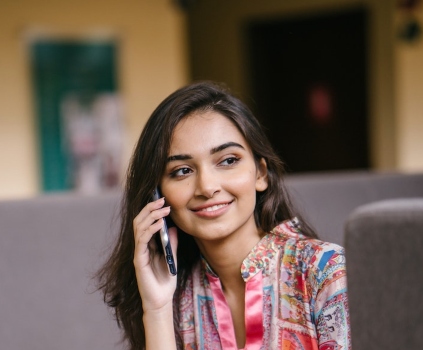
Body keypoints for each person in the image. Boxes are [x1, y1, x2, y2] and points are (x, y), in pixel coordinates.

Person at [96, 82, 350, 350]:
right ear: (156, 195)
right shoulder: (175, 295)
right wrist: (157, 309)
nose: (207, 187)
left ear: (261, 174)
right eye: (182, 171)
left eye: (228, 160)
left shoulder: (325, 272)